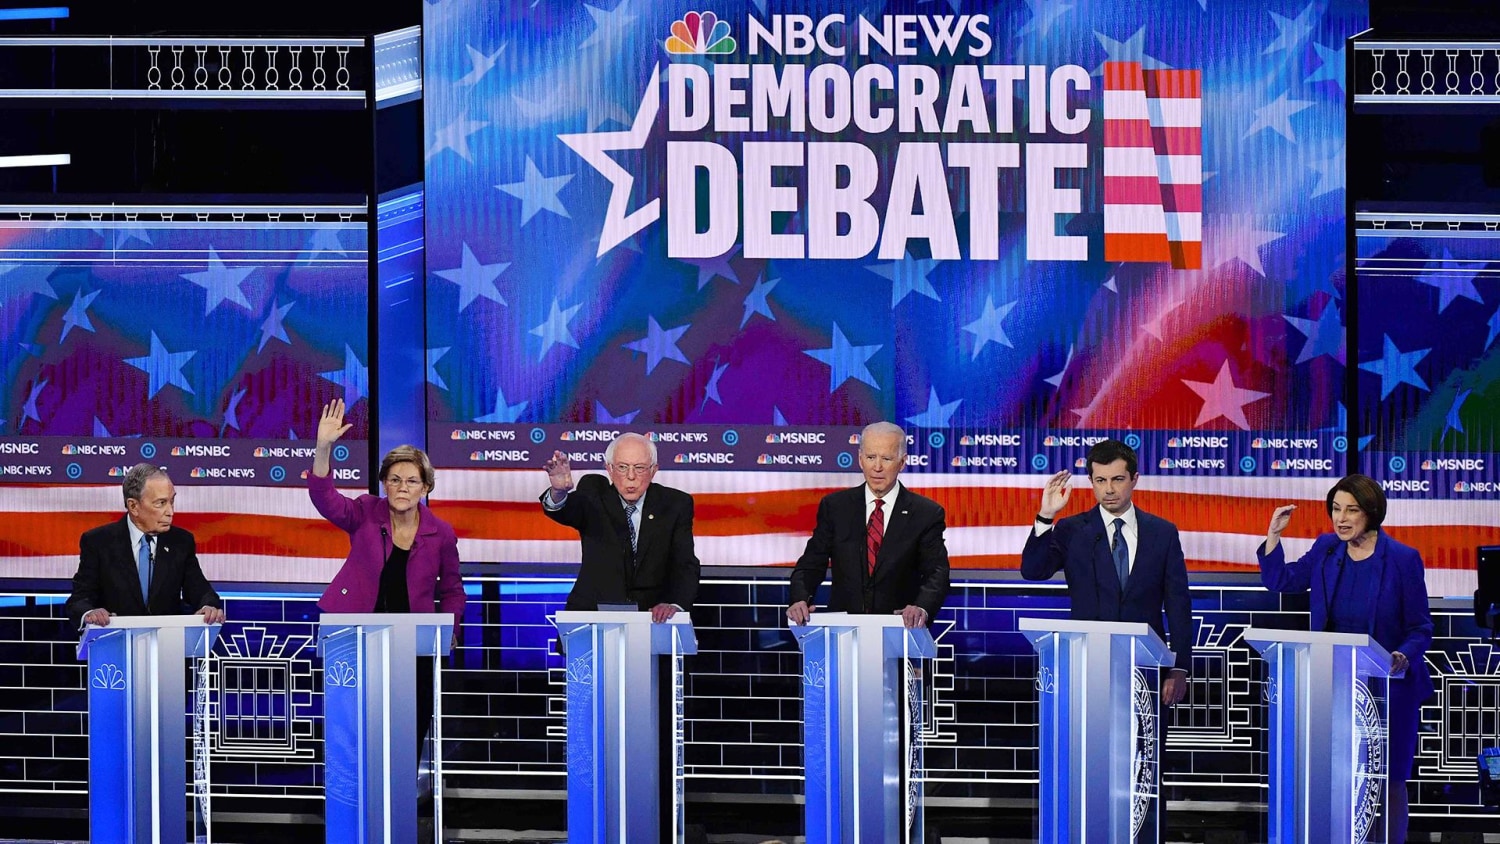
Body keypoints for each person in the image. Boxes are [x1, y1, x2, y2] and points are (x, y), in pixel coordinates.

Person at [1259, 473, 1432, 844]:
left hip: (1390, 689)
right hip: (1333, 684)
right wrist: (1274, 536)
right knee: (1334, 773)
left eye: (1351, 510)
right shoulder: (1326, 549)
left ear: (1371, 513)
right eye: (1336, 509)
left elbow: (1420, 627)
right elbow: (1282, 581)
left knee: (1389, 779)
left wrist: (1402, 654)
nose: (1341, 518)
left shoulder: (1403, 559)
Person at [311, 399, 465, 753]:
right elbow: (325, 499)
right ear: (383, 483)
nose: (402, 487)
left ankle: (397, 806)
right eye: (394, 479)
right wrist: (323, 448)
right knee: (353, 731)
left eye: (412, 481)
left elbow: (453, 591)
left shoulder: (440, 533)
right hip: (357, 638)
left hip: (414, 645)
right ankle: (355, 803)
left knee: (407, 734)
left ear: (426, 488)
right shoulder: (365, 512)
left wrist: (450, 630)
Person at [1021, 438, 1194, 697]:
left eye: (1118, 479)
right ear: (1091, 482)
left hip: (1146, 665)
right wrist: (1046, 515)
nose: (1109, 489)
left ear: (1135, 479)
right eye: (1100, 481)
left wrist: (1179, 668)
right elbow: (1033, 571)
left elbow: (1178, 604)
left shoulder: (1162, 533)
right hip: (1087, 661)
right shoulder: (1072, 530)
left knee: (1145, 738)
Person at [787, 421, 949, 628]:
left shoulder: (926, 513)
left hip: (899, 631)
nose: (877, 467)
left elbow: (937, 572)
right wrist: (800, 598)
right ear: (860, 459)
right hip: (843, 631)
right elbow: (811, 564)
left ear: (902, 462)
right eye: (871, 457)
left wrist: (921, 607)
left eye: (887, 458)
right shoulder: (836, 507)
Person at [541, 432, 700, 618]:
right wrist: (559, 493)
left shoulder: (675, 504)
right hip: (593, 615)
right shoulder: (594, 496)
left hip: (652, 618)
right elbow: (565, 510)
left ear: (654, 470)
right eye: (622, 467)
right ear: (609, 469)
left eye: (639, 468)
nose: (630, 476)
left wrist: (675, 605)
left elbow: (685, 564)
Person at [66, 463, 225, 630]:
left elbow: (200, 590)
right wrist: (90, 613)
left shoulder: (181, 542)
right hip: (115, 647)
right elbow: (79, 599)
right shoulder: (99, 542)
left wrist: (208, 606)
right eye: (161, 503)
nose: (170, 511)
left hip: (167, 648)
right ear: (134, 506)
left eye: (172, 501)